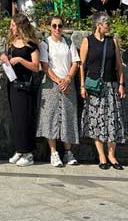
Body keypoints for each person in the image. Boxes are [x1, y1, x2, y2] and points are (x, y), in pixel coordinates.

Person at [79, 12, 127, 169]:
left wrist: (121, 84)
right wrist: (82, 86)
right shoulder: (87, 41)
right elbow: (82, 66)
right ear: (98, 25)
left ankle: (112, 155)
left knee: (113, 120)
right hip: (95, 87)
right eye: (107, 23)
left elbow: (119, 65)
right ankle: (101, 156)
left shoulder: (112, 41)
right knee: (96, 121)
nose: (109, 26)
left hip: (111, 85)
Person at [37, 15, 80, 168]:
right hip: (51, 85)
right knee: (51, 117)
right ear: (49, 27)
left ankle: (68, 152)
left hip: (68, 84)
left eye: (60, 26)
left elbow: (75, 62)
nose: (57, 28)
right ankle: (53, 152)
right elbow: (45, 66)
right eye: (54, 25)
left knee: (68, 116)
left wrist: (68, 79)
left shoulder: (68, 42)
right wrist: (58, 80)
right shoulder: (45, 44)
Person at [0, 14, 40, 167]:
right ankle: (20, 149)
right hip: (13, 84)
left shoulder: (31, 44)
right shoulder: (10, 42)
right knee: (16, 119)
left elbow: (36, 67)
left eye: (13, 25)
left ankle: (28, 153)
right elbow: (8, 60)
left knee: (25, 118)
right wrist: (5, 59)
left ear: (21, 26)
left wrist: (21, 60)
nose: (11, 28)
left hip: (25, 85)